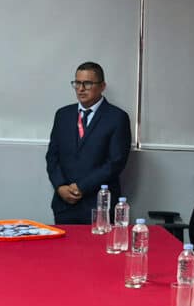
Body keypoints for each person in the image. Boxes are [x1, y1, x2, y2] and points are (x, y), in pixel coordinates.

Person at [46, 62, 131, 225]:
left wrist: (81, 187)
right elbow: (52, 156)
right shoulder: (63, 115)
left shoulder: (117, 117)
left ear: (102, 86)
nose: (81, 88)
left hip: (99, 205)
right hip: (64, 205)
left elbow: (115, 162)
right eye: (77, 83)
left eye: (87, 83)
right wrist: (60, 187)